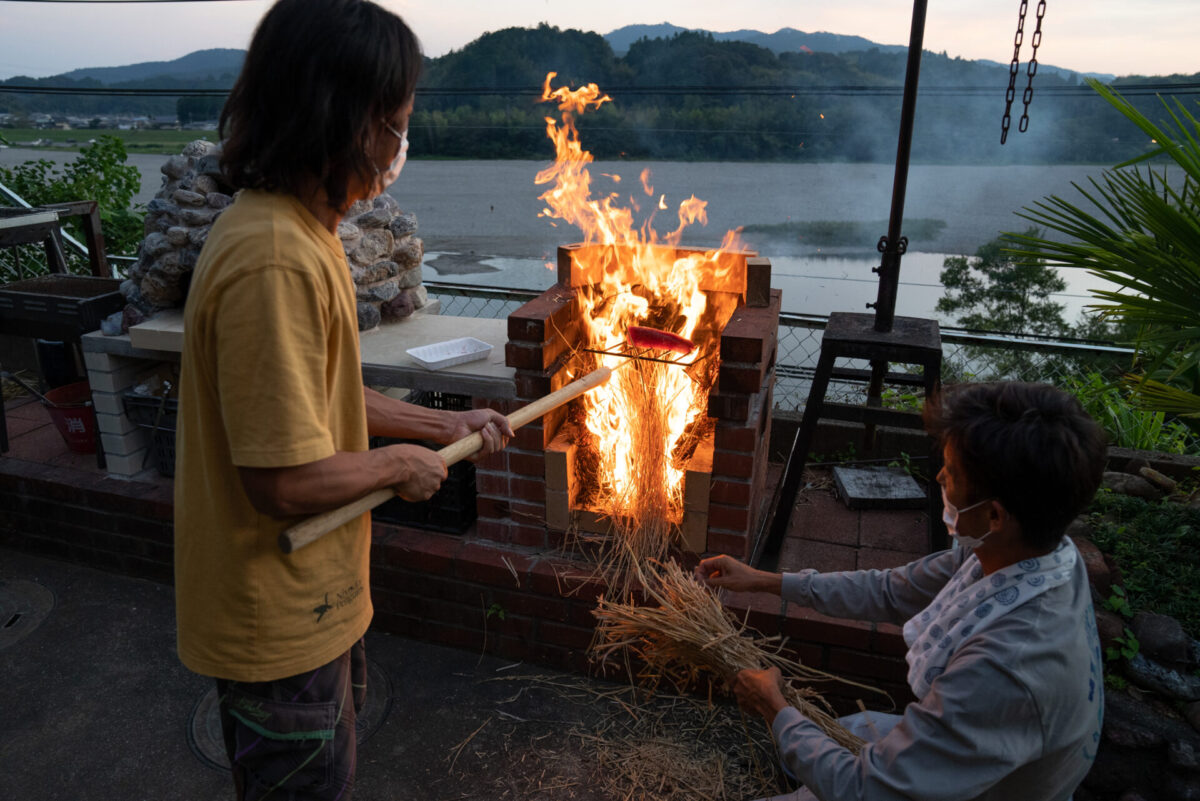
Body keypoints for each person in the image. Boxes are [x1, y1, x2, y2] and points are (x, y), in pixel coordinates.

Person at [172, 1, 513, 798]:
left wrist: (443, 423)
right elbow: (280, 480)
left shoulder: (305, 232)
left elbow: (321, 399)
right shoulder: (273, 260)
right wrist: (398, 462)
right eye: (393, 125)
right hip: (278, 620)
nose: (400, 146)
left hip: (317, 603)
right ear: (340, 121)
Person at [697, 381, 1108, 801]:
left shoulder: (1004, 669)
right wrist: (763, 580)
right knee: (845, 732)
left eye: (950, 473)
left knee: (811, 749)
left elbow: (867, 790)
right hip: (988, 750)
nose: (939, 477)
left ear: (995, 515)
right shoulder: (1035, 555)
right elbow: (892, 592)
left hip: (980, 791)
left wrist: (773, 707)